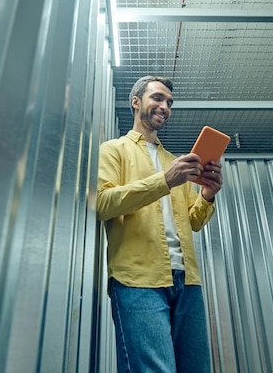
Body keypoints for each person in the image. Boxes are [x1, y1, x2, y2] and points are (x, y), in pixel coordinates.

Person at [96, 76, 223, 372]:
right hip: (137, 282)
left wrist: (207, 194)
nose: (164, 106)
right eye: (157, 98)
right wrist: (165, 180)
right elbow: (103, 204)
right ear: (136, 101)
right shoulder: (113, 150)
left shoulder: (175, 162)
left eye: (169, 102)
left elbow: (192, 221)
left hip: (187, 282)